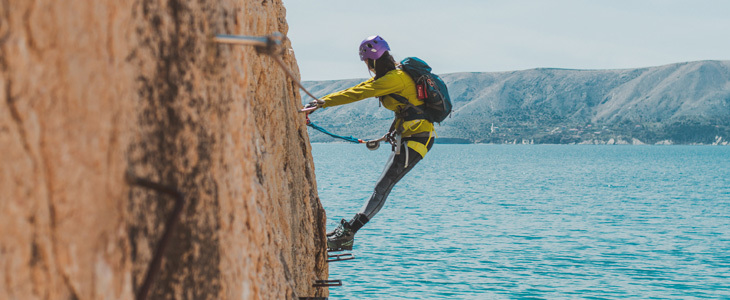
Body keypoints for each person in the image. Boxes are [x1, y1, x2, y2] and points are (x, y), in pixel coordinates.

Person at [305, 35, 436, 250]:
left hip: (417, 140)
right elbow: (401, 106)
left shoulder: (393, 79)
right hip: (409, 138)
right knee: (380, 187)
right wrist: (389, 133)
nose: (367, 66)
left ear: (371, 61)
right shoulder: (391, 77)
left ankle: (348, 234)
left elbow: (360, 93)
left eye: (366, 62)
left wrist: (323, 103)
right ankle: (346, 232)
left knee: (382, 188)